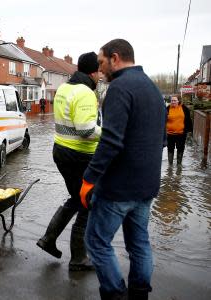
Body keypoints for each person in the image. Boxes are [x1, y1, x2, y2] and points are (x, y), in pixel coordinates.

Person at [80, 39, 166, 300]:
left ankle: (115, 293)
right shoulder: (152, 88)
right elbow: (160, 140)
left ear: (115, 58)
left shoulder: (119, 88)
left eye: (102, 61)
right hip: (146, 186)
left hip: (119, 188)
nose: (100, 67)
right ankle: (140, 293)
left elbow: (110, 141)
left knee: (96, 241)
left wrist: (89, 178)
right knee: (139, 243)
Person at [36, 52, 101, 271]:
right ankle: (78, 259)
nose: (101, 76)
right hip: (79, 155)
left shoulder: (65, 87)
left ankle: (49, 239)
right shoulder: (85, 93)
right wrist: (109, 132)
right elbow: (85, 130)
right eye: (99, 72)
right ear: (93, 72)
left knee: (77, 198)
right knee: (87, 204)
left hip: (61, 151)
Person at [166, 95, 193, 165]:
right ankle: (170, 166)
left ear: (178, 101)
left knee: (180, 149)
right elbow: (163, 120)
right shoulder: (167, 108)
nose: (173, 102)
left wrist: (189, 131)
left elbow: (188, 120)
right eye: (172, 100)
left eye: (175, 100)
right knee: (170, 149)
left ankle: (179, 165)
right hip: (169, 134)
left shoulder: (184, 108)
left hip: (181, 134)